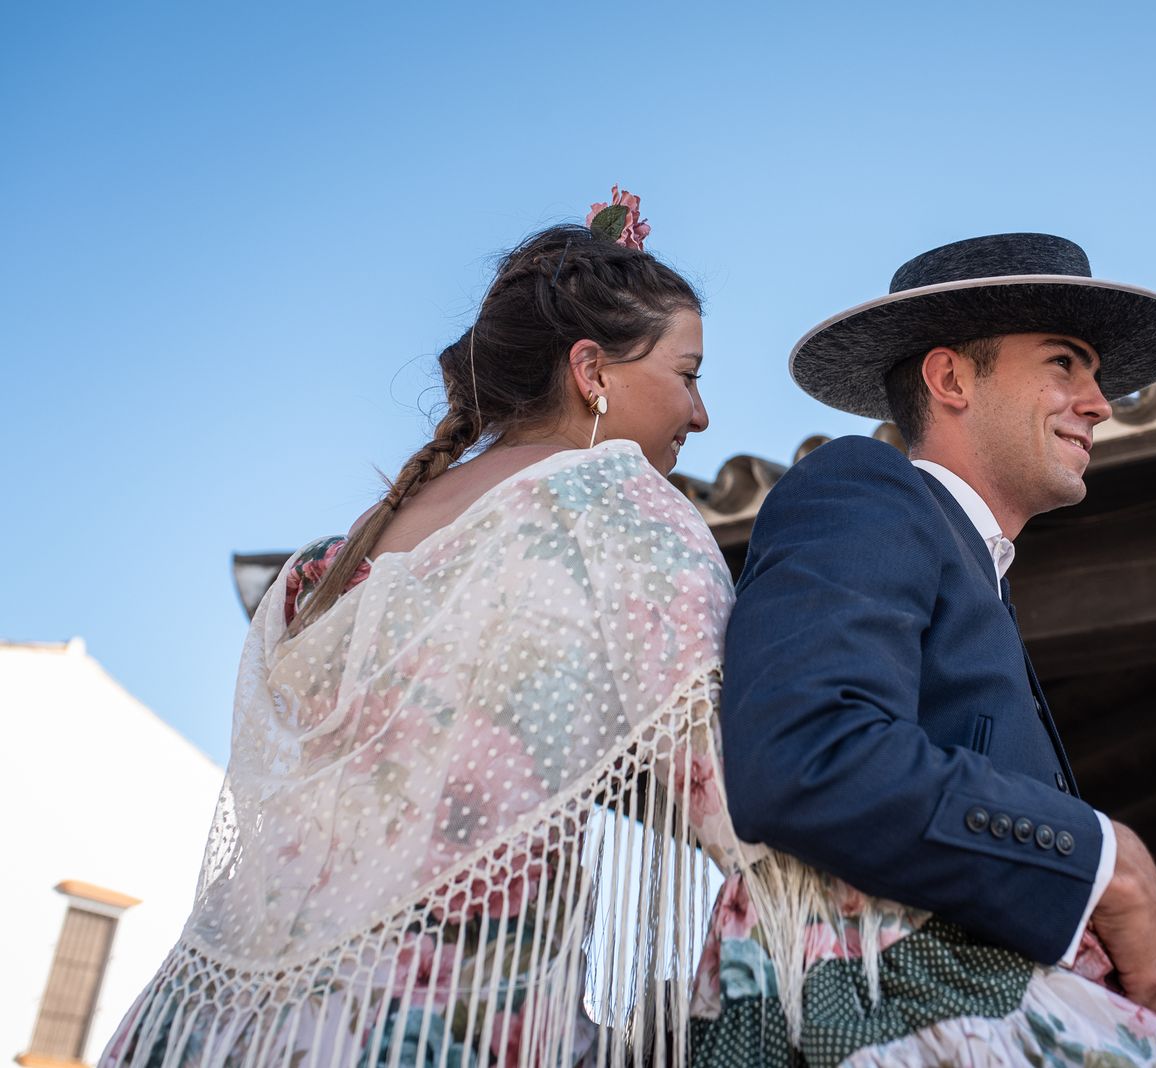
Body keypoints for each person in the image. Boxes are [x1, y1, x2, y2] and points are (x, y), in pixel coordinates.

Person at [100, 195, 745, 1068]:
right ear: (591, 370)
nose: (700, 415)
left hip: (199, 1024)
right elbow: (731, 784)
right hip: (422, 1020)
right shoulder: (618, 508)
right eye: (688, 374)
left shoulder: (326, 567)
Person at [693, 233, 1156, 1067]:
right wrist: (1103, 858)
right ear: (950, 379)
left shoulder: (980, 576)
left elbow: (969, 919)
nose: (1100, 403)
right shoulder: (865, 487)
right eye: (1065, 363)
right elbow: (804, 751)